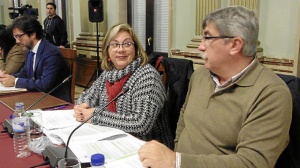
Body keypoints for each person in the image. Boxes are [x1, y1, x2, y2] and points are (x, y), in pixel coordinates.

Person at [138, 6, 292, 168]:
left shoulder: (272, 93)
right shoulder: (201, 75)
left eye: (207, 38)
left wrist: (176, 161)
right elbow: (184, 120)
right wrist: (176, 153)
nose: (200, 46)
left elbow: (252, 163)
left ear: (235, 45)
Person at [73, 23, 173, 148]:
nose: (121, 49)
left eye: (127, 44)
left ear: (136, 49)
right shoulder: (108, 73)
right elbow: (87, 96)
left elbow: (140, 123)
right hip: (114, 141)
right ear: (107, 51)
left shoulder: (147, 76)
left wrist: (96, 115)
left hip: (148, 148)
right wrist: (82, 107)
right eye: (115, 44)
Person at [0, 16, 71, 103]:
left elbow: (45, 84)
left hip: (54, 100)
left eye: (19, 36)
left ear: (33, 34)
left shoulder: (51, 53)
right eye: (15, 37)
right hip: (37, 96)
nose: (17, 41)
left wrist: (15, 81)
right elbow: (25, 73)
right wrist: (9, 77)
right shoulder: (30, 50)